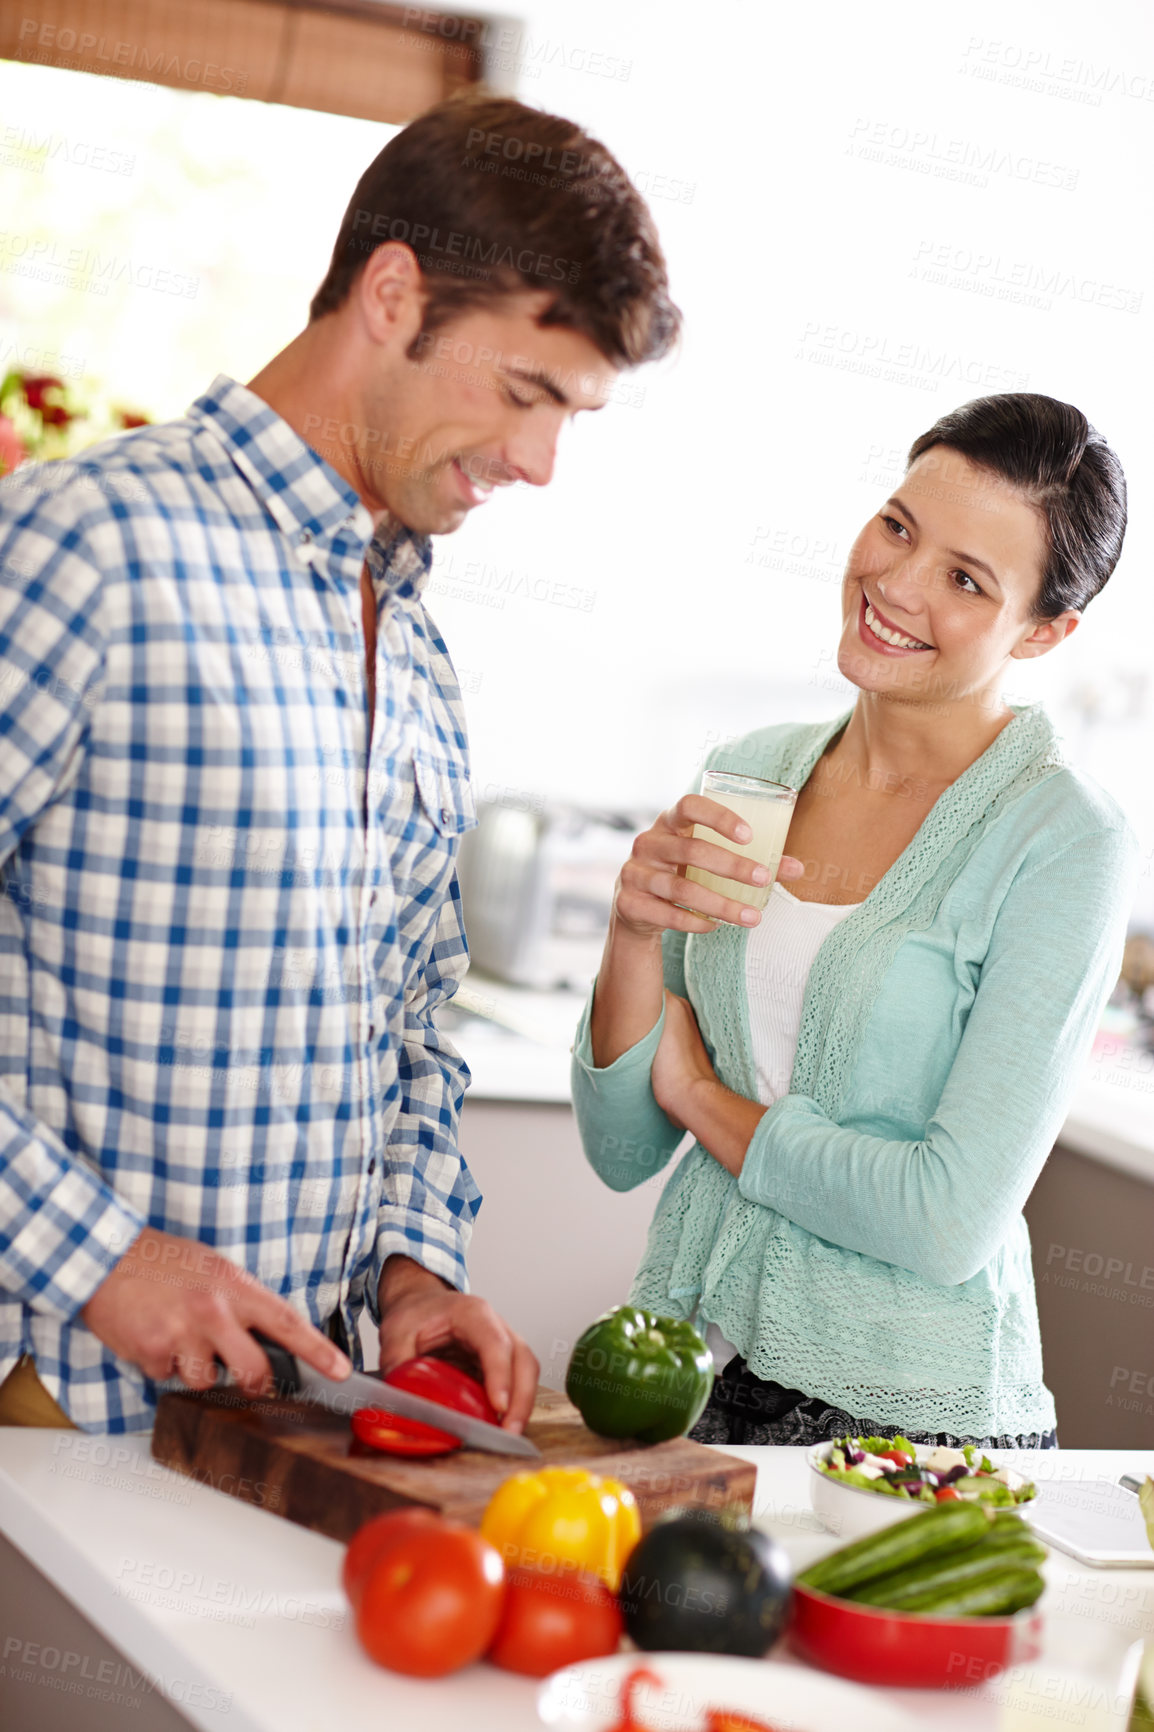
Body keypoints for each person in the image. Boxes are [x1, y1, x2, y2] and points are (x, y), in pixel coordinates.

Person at [0, 92, 679, 1432]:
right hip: (66, 1413)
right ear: (389, 293)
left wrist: (417, 1267)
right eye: (525, 390)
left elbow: (410, 1026)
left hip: (298, 1430)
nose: (541, 462)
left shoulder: (413, 651)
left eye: (573, 418)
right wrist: (97, 1259)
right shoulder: (89, 546)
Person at [574, 394, 1136, 1449]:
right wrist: (633, 933)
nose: (894, 584)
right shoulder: (752, 771)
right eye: (895, 526)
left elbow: (943, 1218)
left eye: (965, 579)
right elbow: (619, 1145)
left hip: (902, 1426)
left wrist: (700, 1093)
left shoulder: (1062, 838)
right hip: (684, 1363)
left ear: (1044, 629)